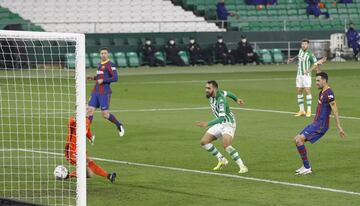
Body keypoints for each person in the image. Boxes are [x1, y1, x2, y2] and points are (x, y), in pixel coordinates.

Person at [293, 72, 345, 175]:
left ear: (324, 81)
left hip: (321, 125)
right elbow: (320, 74)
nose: (316, 83)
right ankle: (306, 166)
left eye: (318, 81)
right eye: (316, 80)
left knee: (299, 140)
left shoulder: (329, 93)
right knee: (296, 139)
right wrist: (318, 66)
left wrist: (339, 126)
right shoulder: (322, 91)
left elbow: (335, 110)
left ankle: (307, 167)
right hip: (315, 123)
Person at [196, 80, 248, 174]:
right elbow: (228, 93)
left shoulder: (220, 100)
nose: (206, 90)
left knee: (226, 145)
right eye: (206, 88)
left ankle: (242, 166)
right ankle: (221, 159)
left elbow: (222, 118)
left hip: (228, 123)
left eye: (208, 88)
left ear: (214, 89)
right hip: (219, 123)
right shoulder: (216, 94)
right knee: (204, 142)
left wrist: (207, 123)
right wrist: (236, 99)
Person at [64, 117, 117, 182]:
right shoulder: (73, 119)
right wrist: (75, 120)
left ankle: (108, 176)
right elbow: (70, 124)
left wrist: (91, 137)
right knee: (88, 168)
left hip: (80, 149)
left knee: (89, 171)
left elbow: (87, 131)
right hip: (71, 150)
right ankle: (109, 176)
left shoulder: (87, 121)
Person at [87, 47, 125, 137]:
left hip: (104, 92)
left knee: (105, 114)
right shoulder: (99, 64)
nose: (103, 55)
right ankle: (87, 133)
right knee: (90, 111)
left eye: (105, 53)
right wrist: (93, 78)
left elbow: (115, 78)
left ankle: (119, 125)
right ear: (100, 54)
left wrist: (103, 80)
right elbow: (99, 77)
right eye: (102, 53)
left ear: (108, 54)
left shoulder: (110, 65)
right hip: (95, 91)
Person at [287, 39, 318, 118]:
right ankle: (301, 111)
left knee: (307, 90)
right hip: (299, 74)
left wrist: (309, 70)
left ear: (308, 45)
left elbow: (315, 63)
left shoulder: (310, 54)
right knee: (299, 91)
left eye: (305, 44)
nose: (303, 45)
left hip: (306, 75)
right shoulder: (300, 50)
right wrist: (292, 59)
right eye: (302, 44)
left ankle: (309, 110)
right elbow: (299, 56)